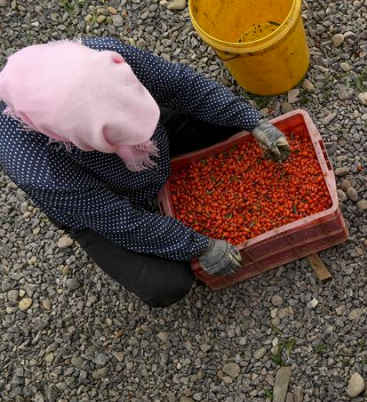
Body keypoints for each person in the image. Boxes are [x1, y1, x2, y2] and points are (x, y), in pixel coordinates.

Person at [0, 38, 290, 307]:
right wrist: (200, 246)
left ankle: (147, 144)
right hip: (98, 207)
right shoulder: (32, 161)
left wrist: (253, 122)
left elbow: (183, 86)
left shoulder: (104, 56)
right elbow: (117, 219)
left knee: (226, 121)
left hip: (150, 140)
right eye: (115, 140)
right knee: (165, 286)